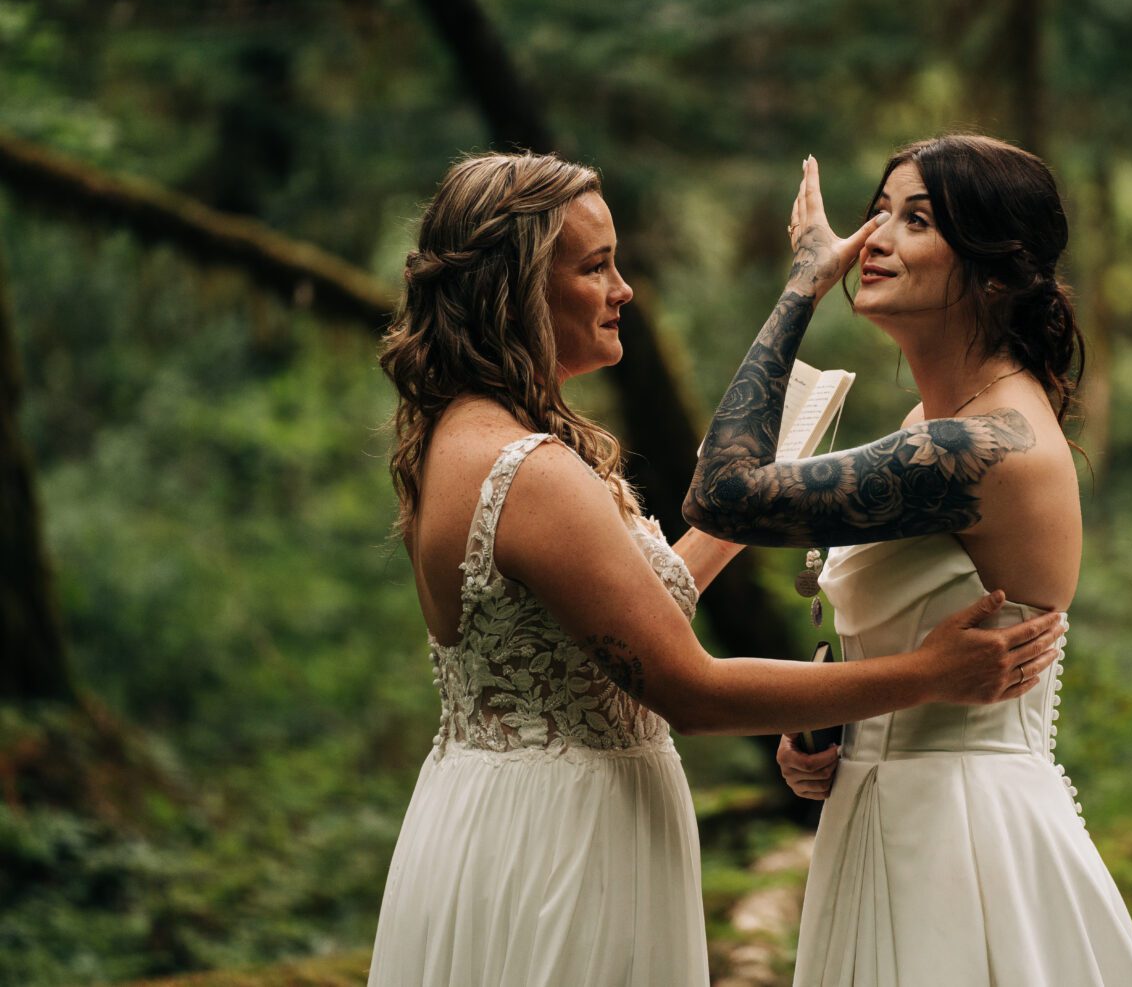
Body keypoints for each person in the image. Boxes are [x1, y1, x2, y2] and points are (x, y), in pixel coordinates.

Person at [364, 151, 1067, 986]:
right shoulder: (529, 469)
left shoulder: (475, 437)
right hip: (559, 845)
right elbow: (687, 681)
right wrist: (919, 676)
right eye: (597, 267)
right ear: (512, 290)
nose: (625, 289)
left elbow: (620, 618)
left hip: (547, 819)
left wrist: (848, 707)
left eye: (916, 219)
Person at [683, 136, 1132, 985]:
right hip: (879, 814)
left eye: (918, 219)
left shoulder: (987, 445)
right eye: (879, 212)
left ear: (996, 269)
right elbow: (906, 632)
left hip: (961, 838)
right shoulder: (926, 426)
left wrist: (803, 282)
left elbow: (725, 490)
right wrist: (833, 729)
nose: (873, 239)